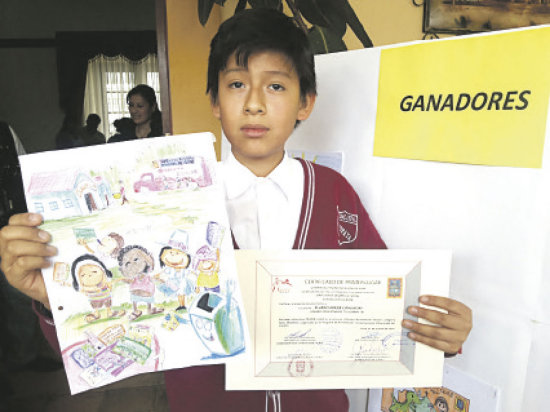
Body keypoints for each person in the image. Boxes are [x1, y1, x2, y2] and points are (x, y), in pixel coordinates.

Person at [0, 9, 472, 412]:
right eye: (236, 84)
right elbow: (105, 332)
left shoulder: (334, 193)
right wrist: (51, 299)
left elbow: (386, 302)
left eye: (276, 87)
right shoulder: (167, 205)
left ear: (305, 103)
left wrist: (440, 334)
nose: (253, 104)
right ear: (214, 101)